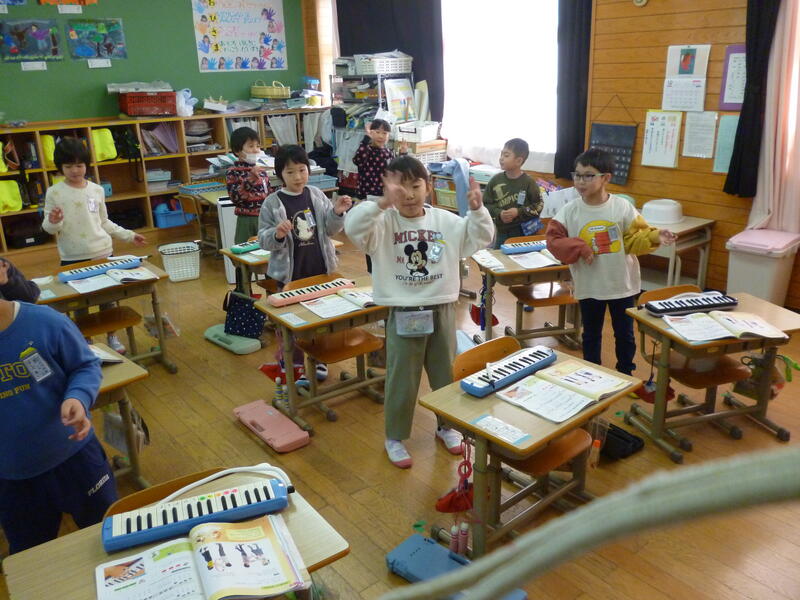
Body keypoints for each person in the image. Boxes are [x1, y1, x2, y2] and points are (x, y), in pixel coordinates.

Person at [344, 155, 494, 468]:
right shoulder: (381, 222)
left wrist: (478, 210)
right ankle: (394, 436)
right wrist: (381, 204)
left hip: (442, 306)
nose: (409, 195)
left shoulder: (446, 222)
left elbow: (481, 238)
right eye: (401, 188)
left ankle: (447, 426)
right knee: (402, 377)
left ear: (428, 187)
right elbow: (352, 226)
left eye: (416, 186)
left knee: (445, 373)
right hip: (404, 310)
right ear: (388, 188)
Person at [0, 297, 117, 554]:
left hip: (75, 456)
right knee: (31, 555)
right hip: (13, 476)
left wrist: (78, 396)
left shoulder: (44, 322)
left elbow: (85, 365)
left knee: (107, 531)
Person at [545, 147, 677, 375]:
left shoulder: (622, 207)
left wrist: (656, 235)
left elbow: (635, 239)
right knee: (591, 334)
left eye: (588, 175)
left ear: (606, 178)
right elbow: (553, 240)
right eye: (577, 175)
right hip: (590, 285)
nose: (580, 181)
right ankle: (592, 374)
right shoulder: (570, 210)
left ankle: (626, 373)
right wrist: (579, 247)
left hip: (621, 285)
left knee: (625, 334)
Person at [41, 137, 146, 354]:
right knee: (79, 303)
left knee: (108, 298)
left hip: (102, 252)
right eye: (68, 166)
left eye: (79, 165)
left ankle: (112, 336)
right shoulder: (54, 192)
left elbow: (104, 222)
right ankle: (86, 341)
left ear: (86, 165)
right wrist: (53, 220)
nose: (74, 170)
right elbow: (49, 229)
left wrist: (129, 236)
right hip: (72, 256)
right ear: (60, 167)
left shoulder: (97, 190)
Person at [258, 144, 352, 384]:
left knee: (321, 320)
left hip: (320, 270)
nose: (298, 177)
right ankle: (294, 363)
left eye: (302, 170)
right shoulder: (272, 203)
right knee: (293, 323)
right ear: (280, 174)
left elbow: (329, 229)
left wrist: (337, 213)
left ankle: (319, 359)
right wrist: (277, 234)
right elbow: (264, 240)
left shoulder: (316, 195)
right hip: (290, 276)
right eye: (290, 172)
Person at [352, 118, 407, 272]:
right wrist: (366, 139)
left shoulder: (388, 152)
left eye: (385, 133)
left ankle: (388, 266)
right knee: (371, 234)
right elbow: (357, 159)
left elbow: (398, 169)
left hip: (387, 199)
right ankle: (372, 269)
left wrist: (403, 153)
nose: (381, 136)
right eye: (377, 132)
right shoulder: (367, 150)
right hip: (369, 198)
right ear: (371, 133)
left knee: (387, 233)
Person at [483, 138, 544, 248]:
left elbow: (539, 206)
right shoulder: (495, 181)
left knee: (523, 257)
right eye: (501, 154)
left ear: (519, 161)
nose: (501, 158)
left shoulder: (529, 182)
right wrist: (499, 213)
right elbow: (486, 204)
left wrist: (518, 212)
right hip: (502, 233)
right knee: (500, 257)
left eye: (506, 155)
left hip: (524, 234)